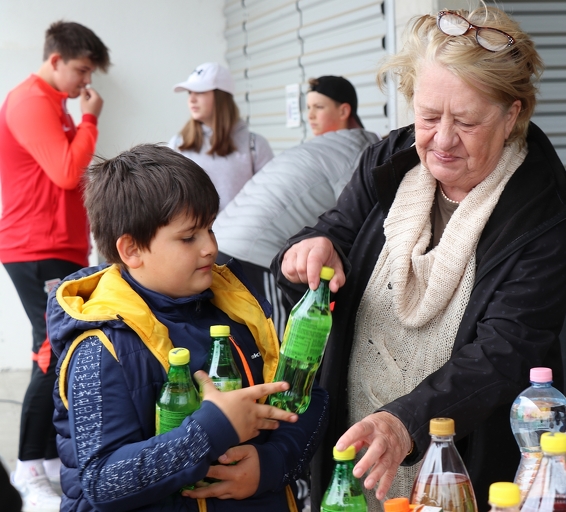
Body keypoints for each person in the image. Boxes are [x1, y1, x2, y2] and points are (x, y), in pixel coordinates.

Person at [272, 7, 566, 510]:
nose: (442, 140)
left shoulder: (540, 218)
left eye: (466, 121)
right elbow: (336, 231)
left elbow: (504, 353)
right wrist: (311, 249)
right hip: (354, 444)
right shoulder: (389, 161)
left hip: (468, 465)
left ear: (511, 115)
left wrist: (407, 422)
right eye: (428, 116)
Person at [46, 144, 328, 512]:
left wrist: (270, 465)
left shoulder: (236, 308)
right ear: (132, 250)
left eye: (210, 228)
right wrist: (212, 430)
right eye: (189, 237)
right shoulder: (100, 346)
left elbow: (305, 398)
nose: (210, 247)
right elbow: (103, 481)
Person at [0, 20, 110, 511]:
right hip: (35, 247)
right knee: (52, 349)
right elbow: (68, 172)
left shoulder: (53, 104)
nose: (86, 82)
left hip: (56, 247)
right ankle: (27, 468)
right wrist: (91, 120)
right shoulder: (30, 102)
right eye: (81, 70)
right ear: (55, 60)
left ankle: (43, 461)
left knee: (50, 348)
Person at [214, 75, 379, 336]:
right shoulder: (343, 150)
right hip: (255, 258)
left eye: (319, 107)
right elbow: (360, 225)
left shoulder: (350, 151)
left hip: (221, 246)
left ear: (344, 111)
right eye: (308, 107)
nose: (310, 116)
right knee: (279, 348)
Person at [169, 62, 274, 211]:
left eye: (200, 92)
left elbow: (270, 200)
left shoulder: (255, 145)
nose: (191, 99)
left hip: (243, 226)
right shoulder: (177, 144)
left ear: (221, 97)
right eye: (189, 93)